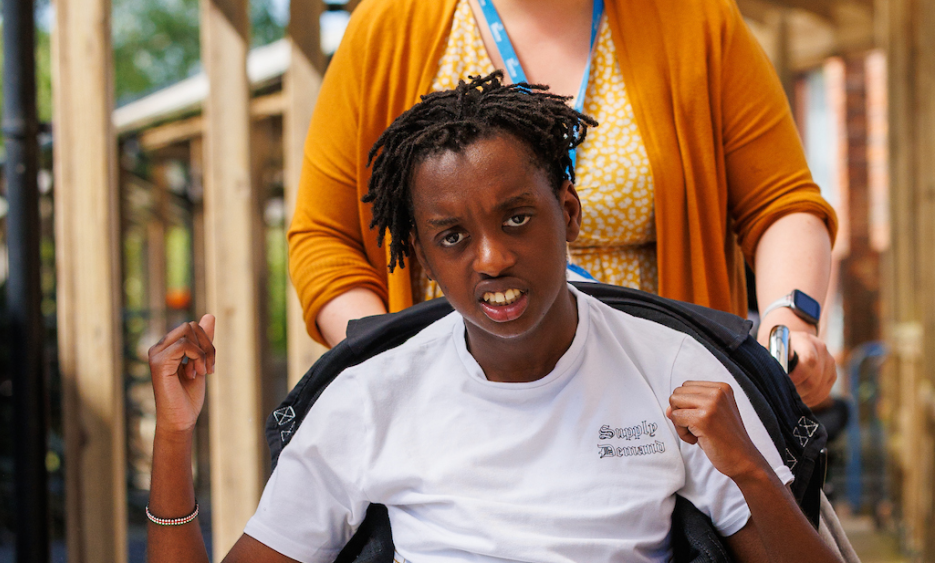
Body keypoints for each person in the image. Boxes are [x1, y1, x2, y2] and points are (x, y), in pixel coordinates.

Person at [288, 0, 839, 406]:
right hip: (451, 422)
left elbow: (781, 204)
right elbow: (324, 239)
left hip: (663, 420)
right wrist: (395, 357)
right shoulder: (387, 28)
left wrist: (789, 316)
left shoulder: (696, 15)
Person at [145, 76, 842, 563]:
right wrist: (175, 437)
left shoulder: (674, 370)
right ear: (419, 254)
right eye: (452, 236)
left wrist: (747, 467)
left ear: (566, 213)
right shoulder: (370, 398)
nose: (491, 257)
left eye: (517, 217)